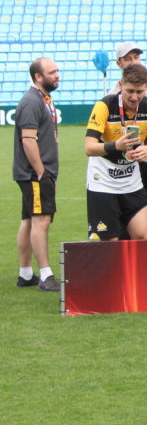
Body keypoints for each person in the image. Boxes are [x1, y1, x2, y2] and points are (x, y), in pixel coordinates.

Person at [85, 63, 147, 241]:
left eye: (139, 91)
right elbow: (89, 147)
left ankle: (137, 270)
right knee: (109, 243)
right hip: (103, 182)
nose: (134, 97)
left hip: (131, 182)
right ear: (120, 85)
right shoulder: (104, 106)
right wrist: (114, 146)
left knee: (143, 236)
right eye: (129, 91)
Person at [109, 42, 147, 238]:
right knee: (130, 219)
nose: (133, 61)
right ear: (119, 64)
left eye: (136, 57)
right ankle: (129, 263)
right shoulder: (111, 95)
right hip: (126, 163)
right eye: (128, 58)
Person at [13, 58, 61, 291]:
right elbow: (28, 140)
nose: (57, 75)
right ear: (38, 77)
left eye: (57, 71)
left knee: (28, 220)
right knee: (41, 221)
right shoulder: (32, 101)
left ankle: (25, 274)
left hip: (33, 173)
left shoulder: (40, 99)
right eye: (52, 72)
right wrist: (42, 173)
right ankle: (45, 275)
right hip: (35, 174)